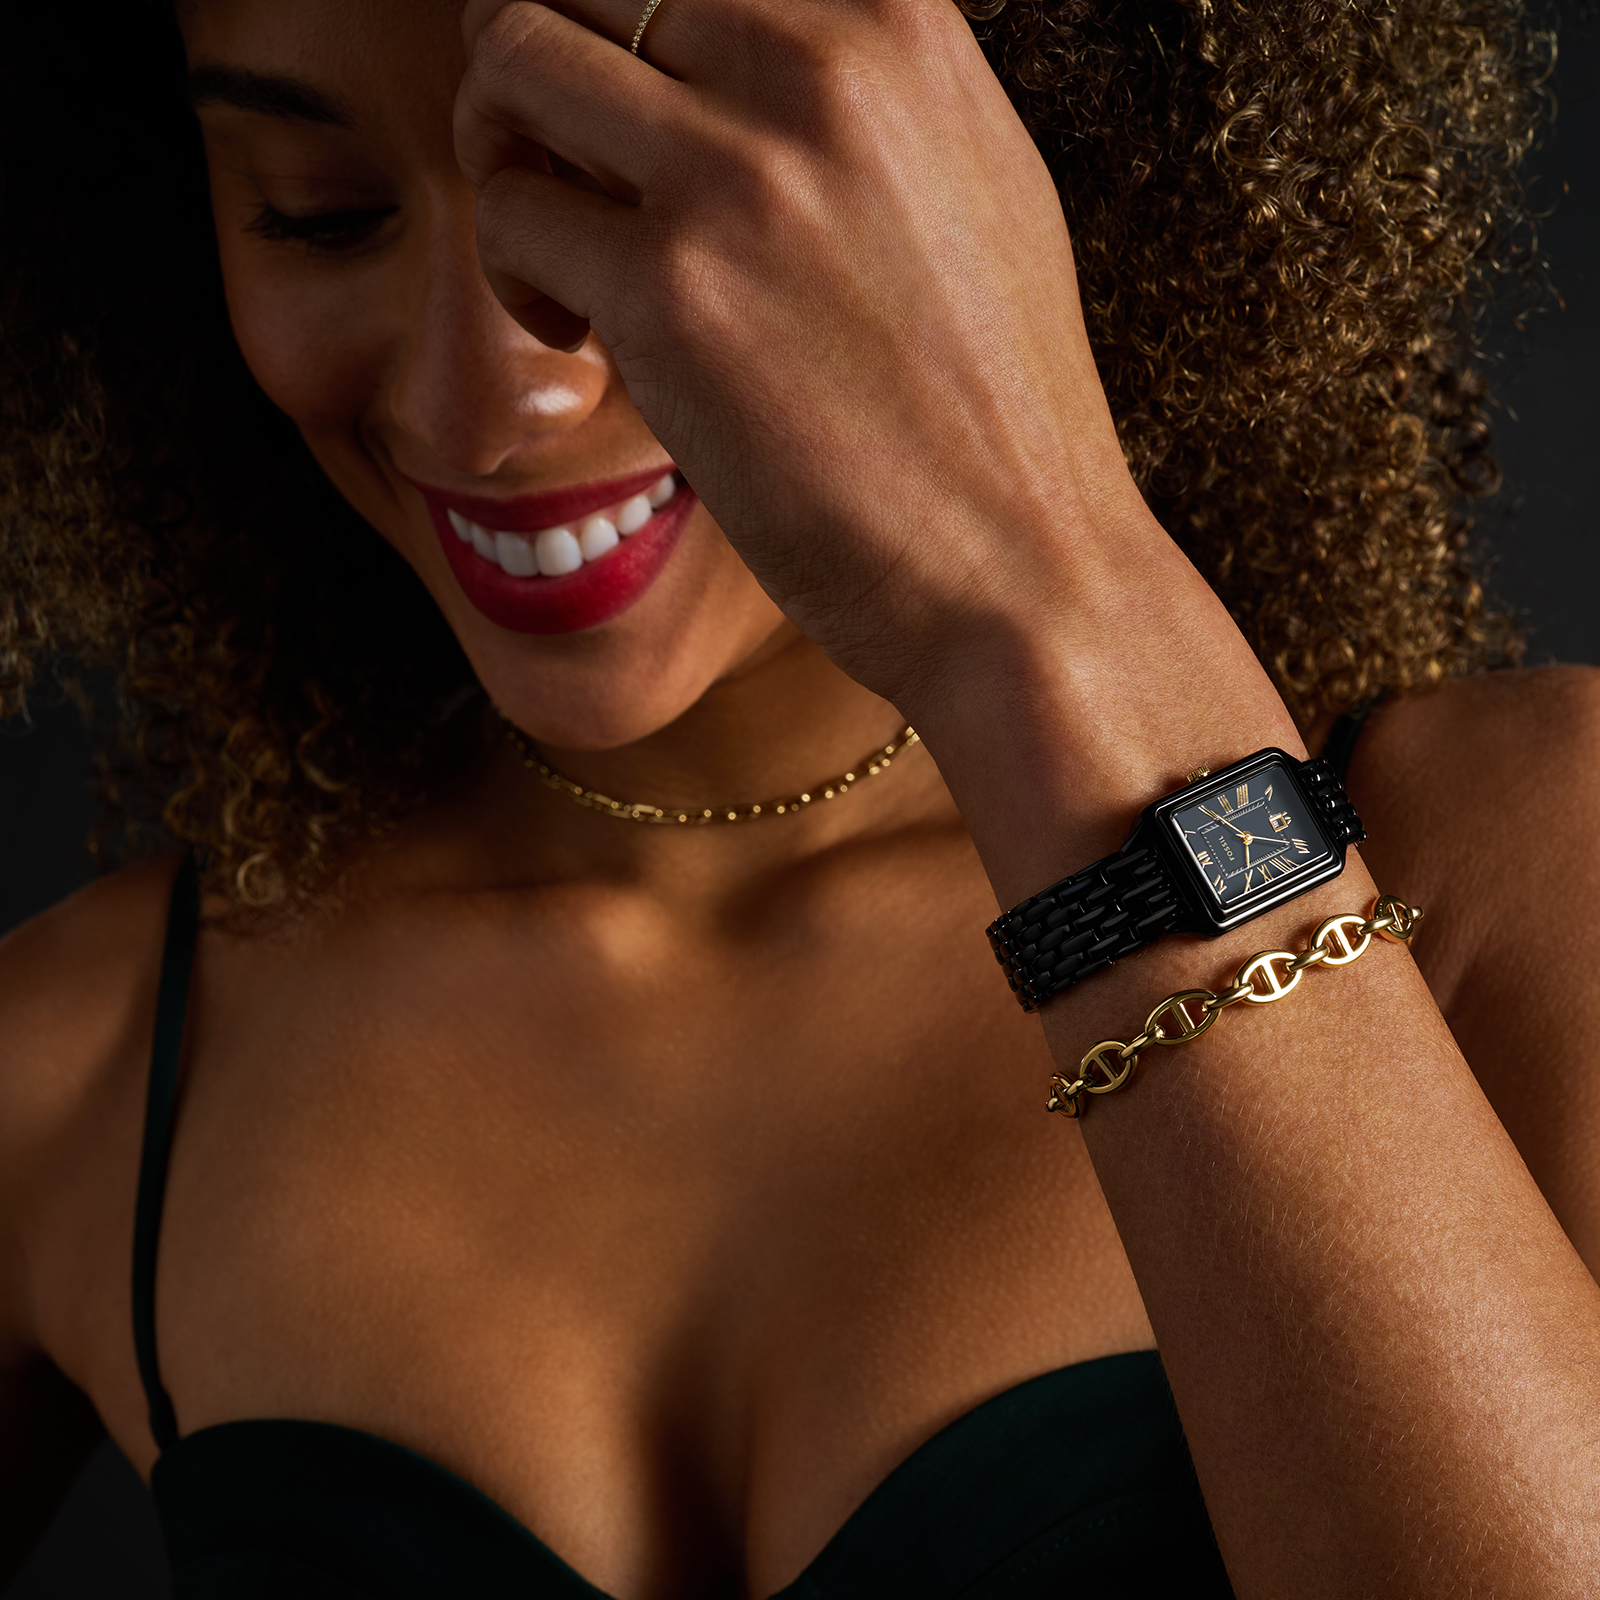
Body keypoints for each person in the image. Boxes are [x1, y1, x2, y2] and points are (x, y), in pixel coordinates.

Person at [1, 0, 1597, 1594]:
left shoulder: (1509, 878)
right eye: (321, 214)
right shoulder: (88, 1076)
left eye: (622, 187)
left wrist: (1035, 594)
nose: (486, 405)